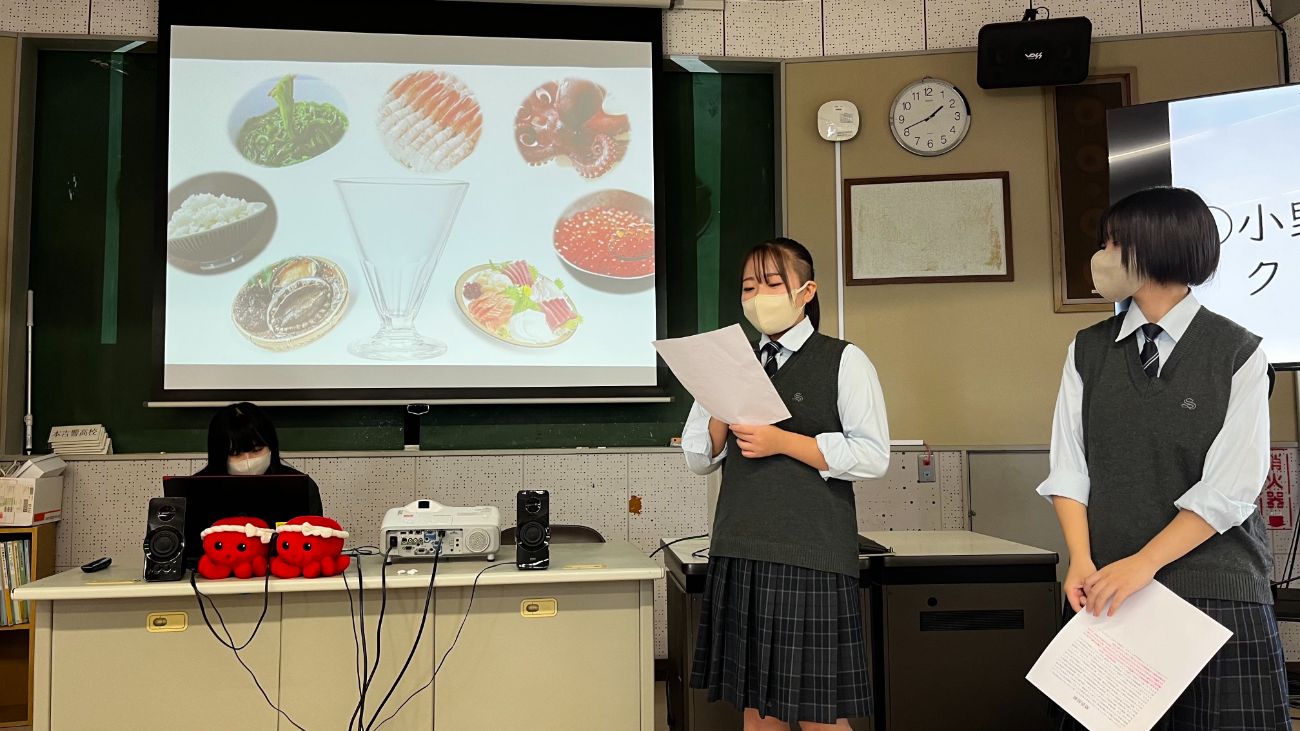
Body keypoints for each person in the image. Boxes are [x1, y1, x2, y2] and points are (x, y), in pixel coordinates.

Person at [1038, 187, 1286, 728]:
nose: (1101, 255)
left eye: (1111, 241)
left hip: (1215, 593)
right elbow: (1069, 468)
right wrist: (1080, 559)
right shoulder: (1087, 350)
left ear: (1150, 248)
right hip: (1105, 592)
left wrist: (1143, 564)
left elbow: (1230, 489)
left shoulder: (1238, 352)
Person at [681, 237, 891, 730]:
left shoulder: (844, 359)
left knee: (821, 717)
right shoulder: (732, 360)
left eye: (772, 284)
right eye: (749, 286)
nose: (758, 296)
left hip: (810, 553)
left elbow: (872, 455)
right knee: (757, 712)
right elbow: (699, 457)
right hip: (740, 545)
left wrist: (782, 441)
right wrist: (718, 395)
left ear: (806, 291)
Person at [196, 402, 324, 516]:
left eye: (256, 450)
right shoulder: (196, 490)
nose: (247, 460)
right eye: (235, 454)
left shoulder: (300, 487)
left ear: (271, 447)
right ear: (219, 455)